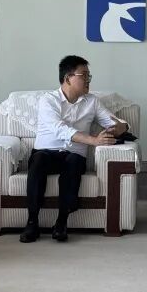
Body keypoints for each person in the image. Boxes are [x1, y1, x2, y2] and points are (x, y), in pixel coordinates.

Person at [22, 55, 127, 243]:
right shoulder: (48, 100)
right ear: (68, 78)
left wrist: (120, 127)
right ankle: (32, 222)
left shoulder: (92, 102)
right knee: (38, 161)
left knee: (74, 162)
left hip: (74, 155)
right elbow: (59, 129)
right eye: (83, 75)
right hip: (46, 153)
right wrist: (94, 140)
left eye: (89, 75)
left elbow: (114, 122)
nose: (88, 79)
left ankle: (61, 223)